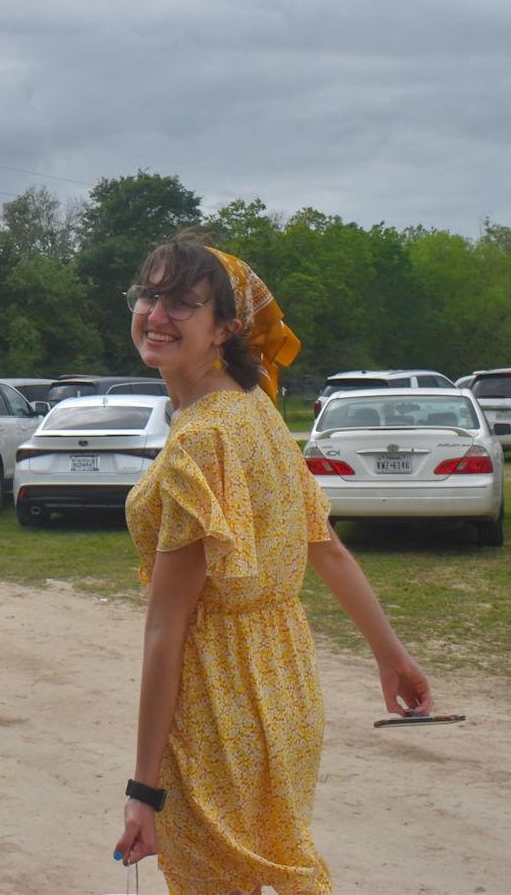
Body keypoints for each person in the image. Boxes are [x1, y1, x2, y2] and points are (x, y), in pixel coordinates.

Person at [113, 235, 432, 895]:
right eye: (149, 294)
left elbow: (165, 627)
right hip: (285, 688)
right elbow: (328, 547)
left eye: (183, 302)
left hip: (220, 700)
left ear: (225, 328)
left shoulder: (204, 436)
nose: (157, 313)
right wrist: (390, 654)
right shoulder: (257, 410)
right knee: (277, 861)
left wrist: (143, 789)